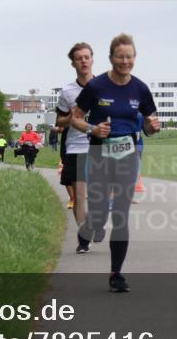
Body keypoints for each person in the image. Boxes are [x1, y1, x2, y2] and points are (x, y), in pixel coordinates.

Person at [70, 33, 161, 293]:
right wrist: (92, 129)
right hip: (99, 153)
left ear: (135, 58)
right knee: (99, 212)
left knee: (120, 214)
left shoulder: (141, 89)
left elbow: (149, 126)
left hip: (128, 154)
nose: (125, 61)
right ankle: (88, 229)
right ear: (111, 58)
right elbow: (75, 118)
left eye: (129, 57)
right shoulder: (97, 86)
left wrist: (153, 127)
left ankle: (116, 273)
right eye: (120, 57)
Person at [55, 42, 95, 251]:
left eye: (86, 57)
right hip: (76, 147)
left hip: (100, 146)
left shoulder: (105, 86)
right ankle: (84, 235)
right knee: (78, 196)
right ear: (73, 63)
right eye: (79, 58)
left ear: (92, 59)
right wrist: (72, 116)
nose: (83, 61)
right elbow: (59, 122)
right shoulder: (67, 91)